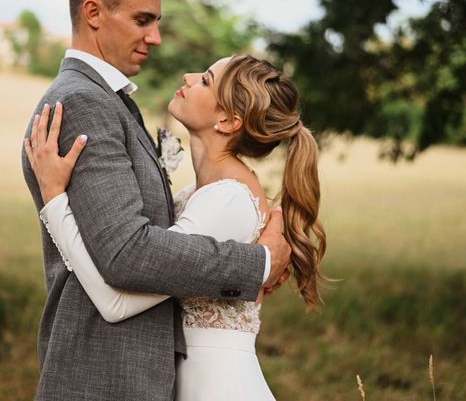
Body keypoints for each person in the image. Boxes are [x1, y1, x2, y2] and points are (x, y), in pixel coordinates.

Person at [21, 0, 291, 401]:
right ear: (94, 13)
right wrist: (258, 264)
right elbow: (127, 255)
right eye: (143, 19)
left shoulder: (110, 101)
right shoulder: (86, 102)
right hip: (104, 375)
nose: (157, 37)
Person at [25, 55, 327, 400]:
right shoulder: (200, 193)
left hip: (218, 386)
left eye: (206, 80)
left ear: (228, 120)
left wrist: (54, 201)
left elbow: (115, 304)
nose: (188, 75)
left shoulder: (227, 200)